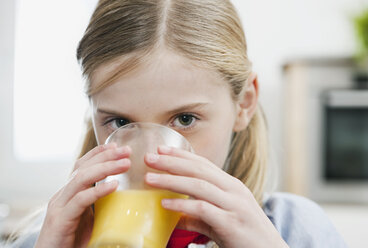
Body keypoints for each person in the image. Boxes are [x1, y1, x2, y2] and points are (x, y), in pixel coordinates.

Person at [9, 0, 347, 247]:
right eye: (119, 121)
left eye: (185, 120)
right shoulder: (52, 239)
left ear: (243, 103)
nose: (147, 155)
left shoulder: (295, 230)